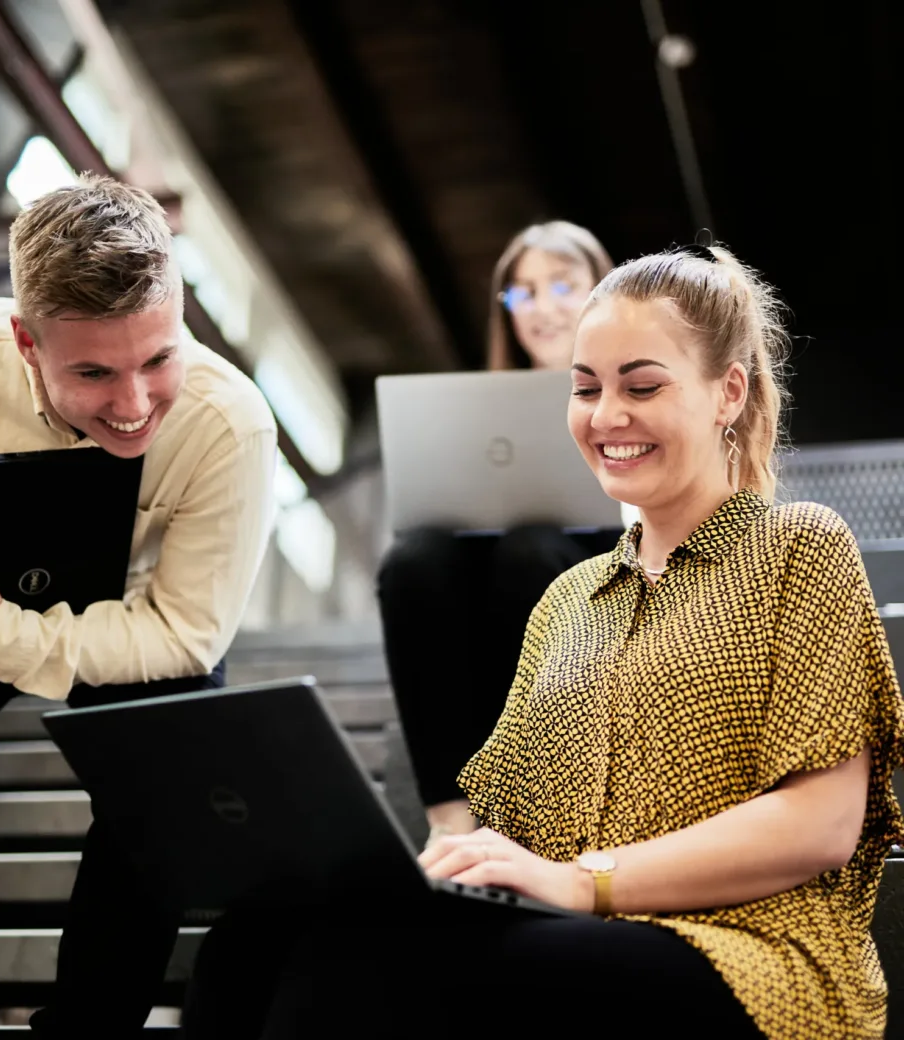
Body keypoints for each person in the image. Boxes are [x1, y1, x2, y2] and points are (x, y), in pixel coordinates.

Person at [184, 244, 903, 1039]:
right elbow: (499, 826)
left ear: (727, 392)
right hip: (575, 930)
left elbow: (822, 825)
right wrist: (402, 869)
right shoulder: (567, 599)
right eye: (586, 388)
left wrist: (583, 883)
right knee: (250, 942)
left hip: (753, 951)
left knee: (364, 975)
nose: (606, 417)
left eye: (642, 385)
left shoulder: (799, 545)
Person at [0, 174, 277, 1039]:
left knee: (175, 735)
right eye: (93, 372)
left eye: (159, 360)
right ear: (25, 340)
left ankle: (91, 1031)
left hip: (125, 629)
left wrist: (3, 637)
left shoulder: (230, 423)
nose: (133, 406)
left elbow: (187, 633)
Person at [377, 220, 617, 846]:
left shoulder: (636, 390)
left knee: (530, 551)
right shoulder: (477, 411)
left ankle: (535, 808)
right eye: (523, 293)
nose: (542, 308)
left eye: (562, 286)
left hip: (594, 565)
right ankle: (450, 822)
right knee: (414, 559)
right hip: (494, 576)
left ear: (600, 288)